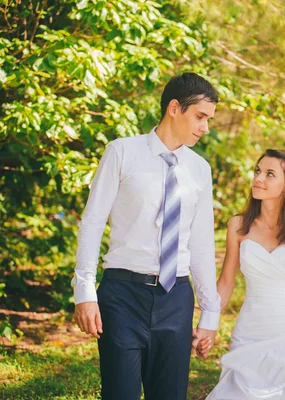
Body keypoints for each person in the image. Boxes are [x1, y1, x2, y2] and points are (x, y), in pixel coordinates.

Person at [72, 72, 221, 400]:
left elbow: (200, 243)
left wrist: (210, 313)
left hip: (176, 298)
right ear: (174, 108)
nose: (205, 128)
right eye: (200, 117)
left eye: (208, 120)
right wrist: (84, 291)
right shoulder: (122, 152)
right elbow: (93, 222)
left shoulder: (200, 170)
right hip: (122, 295)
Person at [195, 149, 285, 399]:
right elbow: (227, 282)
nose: (258, 178)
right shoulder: (239, 226)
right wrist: (207, 325)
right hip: (249, 334)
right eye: (258, 171)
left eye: (269, 174)